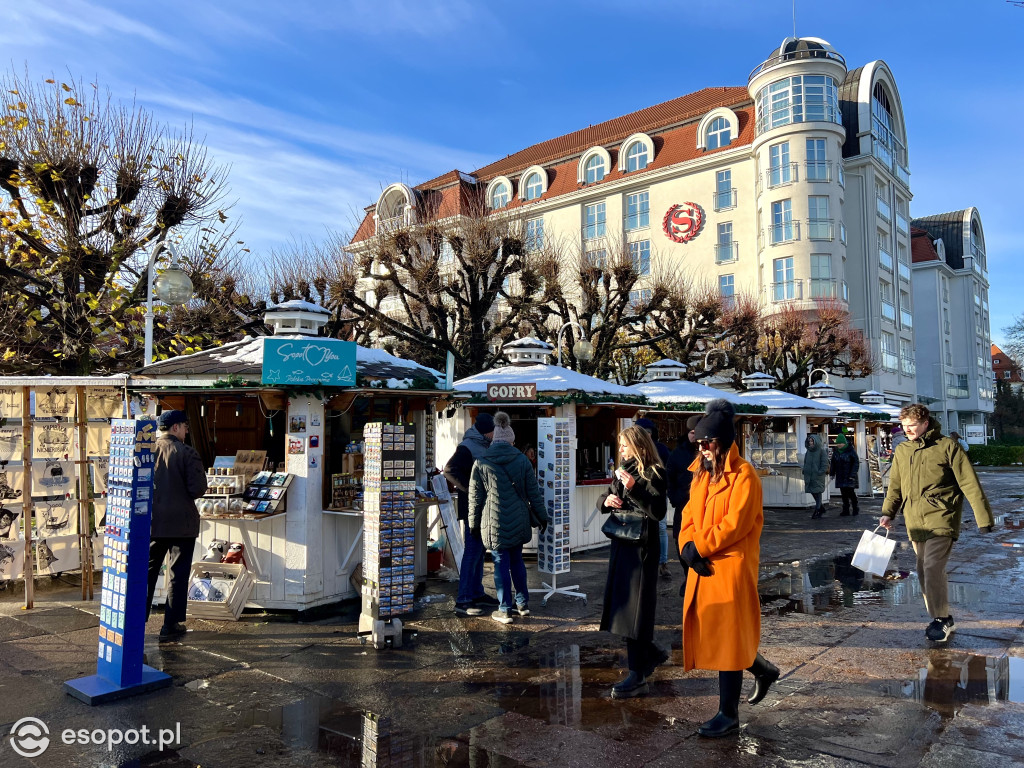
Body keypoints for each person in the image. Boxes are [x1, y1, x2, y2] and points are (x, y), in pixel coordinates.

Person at [678, 399, 779, 738]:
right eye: (700, 443)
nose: (702, 448)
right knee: (722, 635)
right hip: (704, 564)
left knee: (728, 639)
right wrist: (686, 548)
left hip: (731, 566)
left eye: (707, 443)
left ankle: (728, 713)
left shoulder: (745, 475)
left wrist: (699, 547)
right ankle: (763, 669)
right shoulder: (700, 473)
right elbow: (688, 516)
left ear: (721, 442)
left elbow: (736, 524)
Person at [880, 403, 994, 643]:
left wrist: (983, 519)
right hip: (915, 521)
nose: (907, 430)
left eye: (912, 426)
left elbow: (970, 484)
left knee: (932, 566)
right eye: (904, 426)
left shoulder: (947, 447)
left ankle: (941, 619)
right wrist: (888, 512)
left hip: (943, 517)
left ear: (925, 423)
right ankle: (941, 617)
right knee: (922, 570)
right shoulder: (903, 451)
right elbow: (895, 487)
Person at [599, 425, 668, 699]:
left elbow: (658, 511)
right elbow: (601, 500)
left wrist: (633, 487)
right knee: (622, 606)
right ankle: (648, 655)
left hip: (642, 550)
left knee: (636, 610)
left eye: (625, 445)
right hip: (621, 544)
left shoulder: (655, 472)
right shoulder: (622, 469)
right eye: (620, 446)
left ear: (639, 446)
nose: (621, 450)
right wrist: (608, 500)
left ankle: (637, 672)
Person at [468, 412, 548, 624]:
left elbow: (475, 498)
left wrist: (473, 524)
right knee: (517, 561)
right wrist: (542, 516)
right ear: (512, 440)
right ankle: (522, 604)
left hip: (494, 521)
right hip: (520, 518)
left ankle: (505, 609)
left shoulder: (481, 461)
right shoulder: (522, 460)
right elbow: (533, 492)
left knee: (500, 562)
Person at [146, 410, 208, 642]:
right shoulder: (187, 452)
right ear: (175, 428)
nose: (186, 430)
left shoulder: (146, 451)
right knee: (177, 574)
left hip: (152, 523)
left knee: (148, 572)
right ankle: (170, 624)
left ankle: (137, 620)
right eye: (184, 426)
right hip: (182, 524)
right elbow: (197, 489)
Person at [443, 412, 497, 616]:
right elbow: (449, 470)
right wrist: (471, 489)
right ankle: (463, 599)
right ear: (486, 431)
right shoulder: (467, 447)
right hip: (473, 508)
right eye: (493, 430)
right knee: (472, 552)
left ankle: (476, 592)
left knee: (479, 553)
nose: (495, 433)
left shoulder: (482, 445)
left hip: (481, 506)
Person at [636, 417, 672, 579]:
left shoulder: (662, 450)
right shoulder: (634, 451)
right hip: (638, 494)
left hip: (657, 494)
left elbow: (669, 472)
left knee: (661, 528)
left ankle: (662, 562)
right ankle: (640, 562)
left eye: (648, 433)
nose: (646, 436)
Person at [666, 415, 700, 551]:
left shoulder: (708, 453)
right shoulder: (678, 453)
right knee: (681, 542)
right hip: (683, 504)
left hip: (702, 506)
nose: (695, 436)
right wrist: (675, 498)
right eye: (692, 433)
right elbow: (670, 477)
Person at [829, 433, 860, 516]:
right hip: (840, 475)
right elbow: (833, 463)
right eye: (838, 443)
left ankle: (855, 507)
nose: (839, 445)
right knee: (843, 493)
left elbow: (856, 463)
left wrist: (852, 474)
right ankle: (845, 509)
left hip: (849, 475)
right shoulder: (836, 452)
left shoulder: (851, 451)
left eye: (840, 443)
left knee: (851, 492)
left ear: (844, 443)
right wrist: (832, 473)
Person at [802, 433, 829, 519]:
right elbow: (806, 462)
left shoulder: (821, 451)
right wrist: (805, 470)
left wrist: (820, 472)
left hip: (817, 475)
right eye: (809, 441)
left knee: (817, 492)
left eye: (812, 441)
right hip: (809, 475)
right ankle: (821, 508)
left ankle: (817, 510)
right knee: (813, 491)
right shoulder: (808, 451)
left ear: (816, 441)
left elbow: (825, 463)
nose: (810, 443)